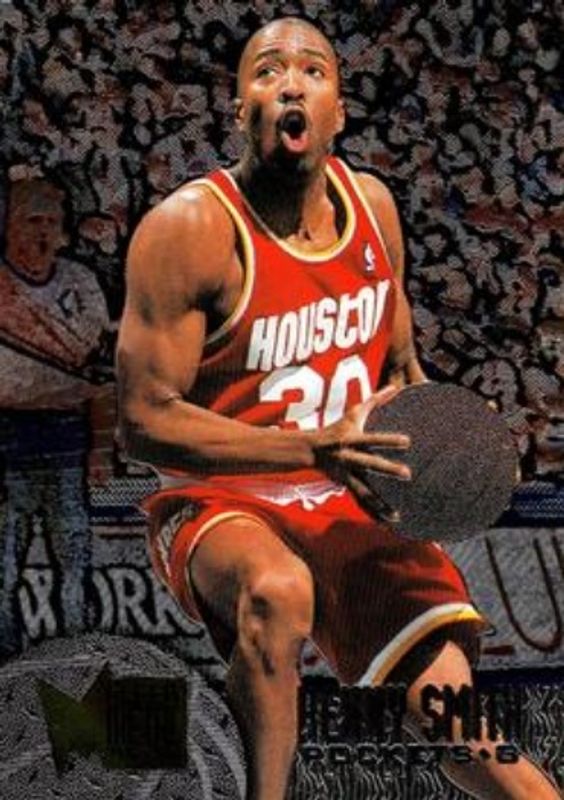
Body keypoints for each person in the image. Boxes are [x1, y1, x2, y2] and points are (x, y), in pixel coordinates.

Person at [117, 18, 559, 800]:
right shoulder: (190, 230)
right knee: (277, 591)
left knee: (456, 718)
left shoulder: (374, 210)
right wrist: (312, 450)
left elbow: (402, 372)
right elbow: (145, 420)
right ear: (240, 109)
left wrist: (455, 444)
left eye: (313, 70)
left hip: (347, 498)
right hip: (222, 498)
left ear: (340, 112)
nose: (290, 83)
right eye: (267, 71)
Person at [0, 174, 112, 656]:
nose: (42, 232)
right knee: (3, 570)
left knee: (74, 566)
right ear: (8, 226)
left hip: (67, 445)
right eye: (32, 221)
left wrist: (100, 449)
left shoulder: (81, 285)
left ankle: (75, 661)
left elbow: (101, 377)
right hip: (6, 447)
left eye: (51, 221)